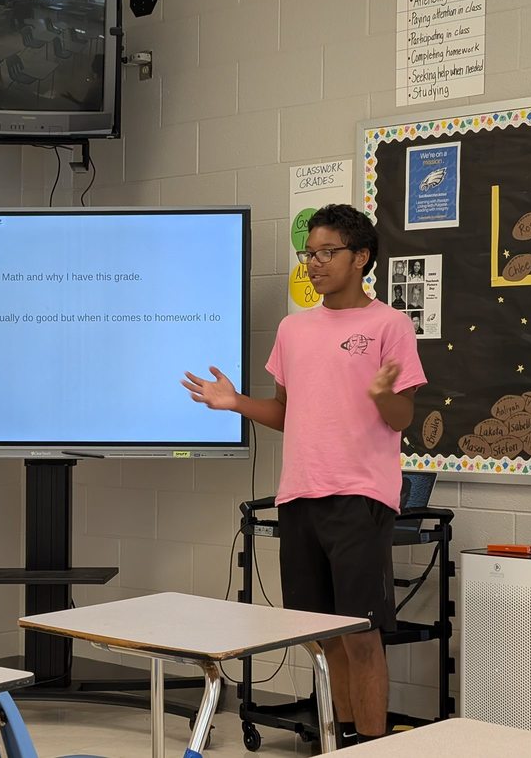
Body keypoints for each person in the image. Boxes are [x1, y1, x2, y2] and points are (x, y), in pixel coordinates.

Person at [182, 204, 426, 745]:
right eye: (308, 254)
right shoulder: (294, 329)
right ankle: (337, 738)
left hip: (359, 498)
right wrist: (237, 403)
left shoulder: (389, 325)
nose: (314, 264)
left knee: (361, 635)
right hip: (299, 497)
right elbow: (288, 413)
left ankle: (370, 746)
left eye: (326, 253)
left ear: (360, 258)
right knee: (322, 635)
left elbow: (403, 418)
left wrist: (385, 394)